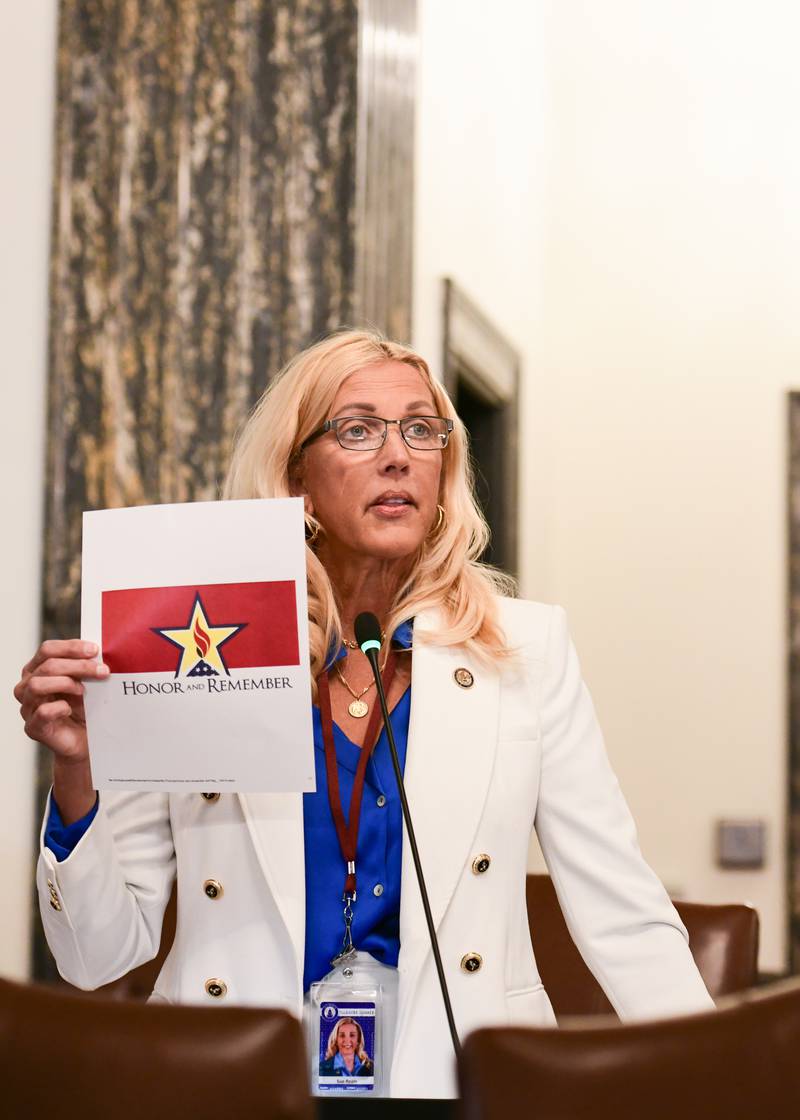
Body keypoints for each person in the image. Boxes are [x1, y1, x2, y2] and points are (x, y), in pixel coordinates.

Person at [15, 329, 714, 1099]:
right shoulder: (201, 640)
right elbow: (96, 957)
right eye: (357, 429)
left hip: (459, 1082)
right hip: (234, 1089)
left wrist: (718, 1089)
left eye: (422, 429)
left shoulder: (527, 649)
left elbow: (625, 915)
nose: (398, 455)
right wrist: (78, 770)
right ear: (296, 477)